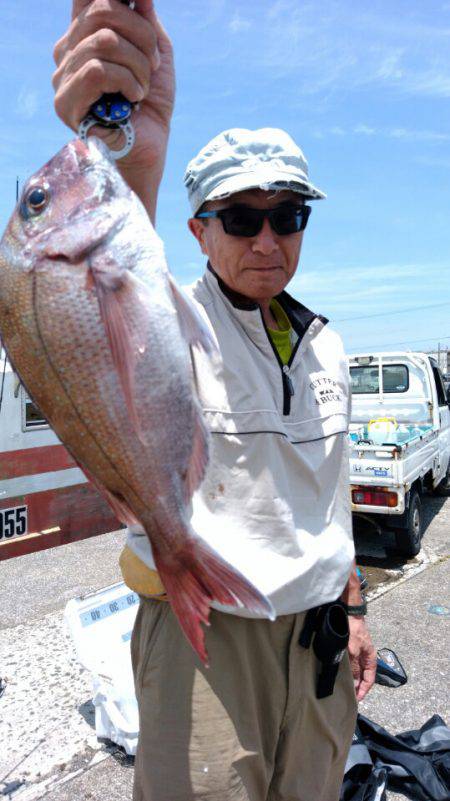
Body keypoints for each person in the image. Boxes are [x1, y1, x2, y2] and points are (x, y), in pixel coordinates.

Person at [53, 3, 377, 800]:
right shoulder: (167, 315)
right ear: (198, 229)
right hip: (209, 642)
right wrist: (123, 144)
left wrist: (356, 604)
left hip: (320, 642)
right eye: (241, 217)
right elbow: (102, 291)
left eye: (288, 216)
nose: (268, 241)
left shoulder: (325, 339)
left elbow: (327, 495)